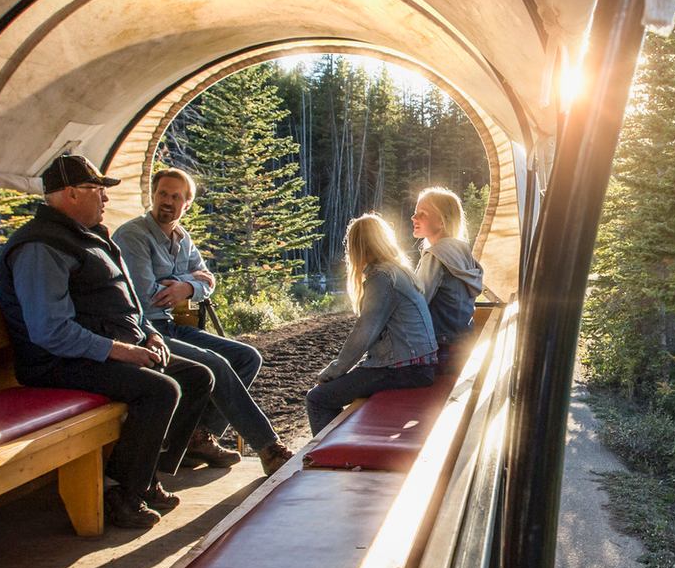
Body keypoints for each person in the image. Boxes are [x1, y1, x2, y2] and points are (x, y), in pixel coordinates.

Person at [0, 153, 215, 528]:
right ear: (70, 194)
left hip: (108, 349)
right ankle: (120, 492)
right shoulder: (40, 247)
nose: (105, 199)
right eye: (97, 190)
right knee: (160, 391)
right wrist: (122, 351)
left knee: (198, 377)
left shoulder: (89, 238)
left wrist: (151, 334)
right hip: (59, 363)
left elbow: (127, 302)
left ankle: (143, 477)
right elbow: (50, 331)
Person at [111, 168, 294, 476]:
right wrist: (186, 283)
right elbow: (147, 296)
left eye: (176, 197)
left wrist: (184, 287)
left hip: (172, 325)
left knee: (247, 356)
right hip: (145, 330)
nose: (167, 202)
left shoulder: (182, 238)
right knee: (215, 363)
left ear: (187, 204)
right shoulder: (133, 236)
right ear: (152, 196)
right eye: (162, 194)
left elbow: (208, 280)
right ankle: (268, 447)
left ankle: (198, 436)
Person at [306, 214, 439, 434]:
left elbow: (364, 332)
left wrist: (334, 371)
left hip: (402, 369)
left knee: (318, 398)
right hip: (418, 365)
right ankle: (343, 446)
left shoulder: (382, 278)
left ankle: (335, 459)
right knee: (338, 392)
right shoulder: (399, 271)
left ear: (357, 247)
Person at [410, 186, 485, 369]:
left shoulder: (437, 255)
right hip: (462, 345)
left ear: (442, 221)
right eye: (415, 212)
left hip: (441, 351)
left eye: (422, 213)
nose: (414, 218)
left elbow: (416, 303)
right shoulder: (462, 251)